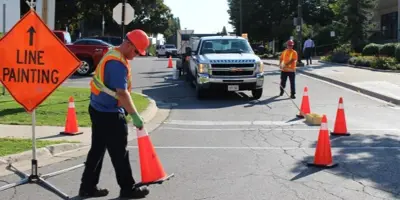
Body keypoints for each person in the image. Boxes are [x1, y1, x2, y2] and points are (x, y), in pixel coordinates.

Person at [78, 29, 150, 199]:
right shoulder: (117, 64)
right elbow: (122, 93)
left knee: (97, 150)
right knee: (120, 153)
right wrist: (134, 115)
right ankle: (128, 189)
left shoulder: (114, 53)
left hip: (97, 108)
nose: (136, 55)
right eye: (136, 51)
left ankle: (87, 188)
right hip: (109, 114)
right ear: (129, 44)